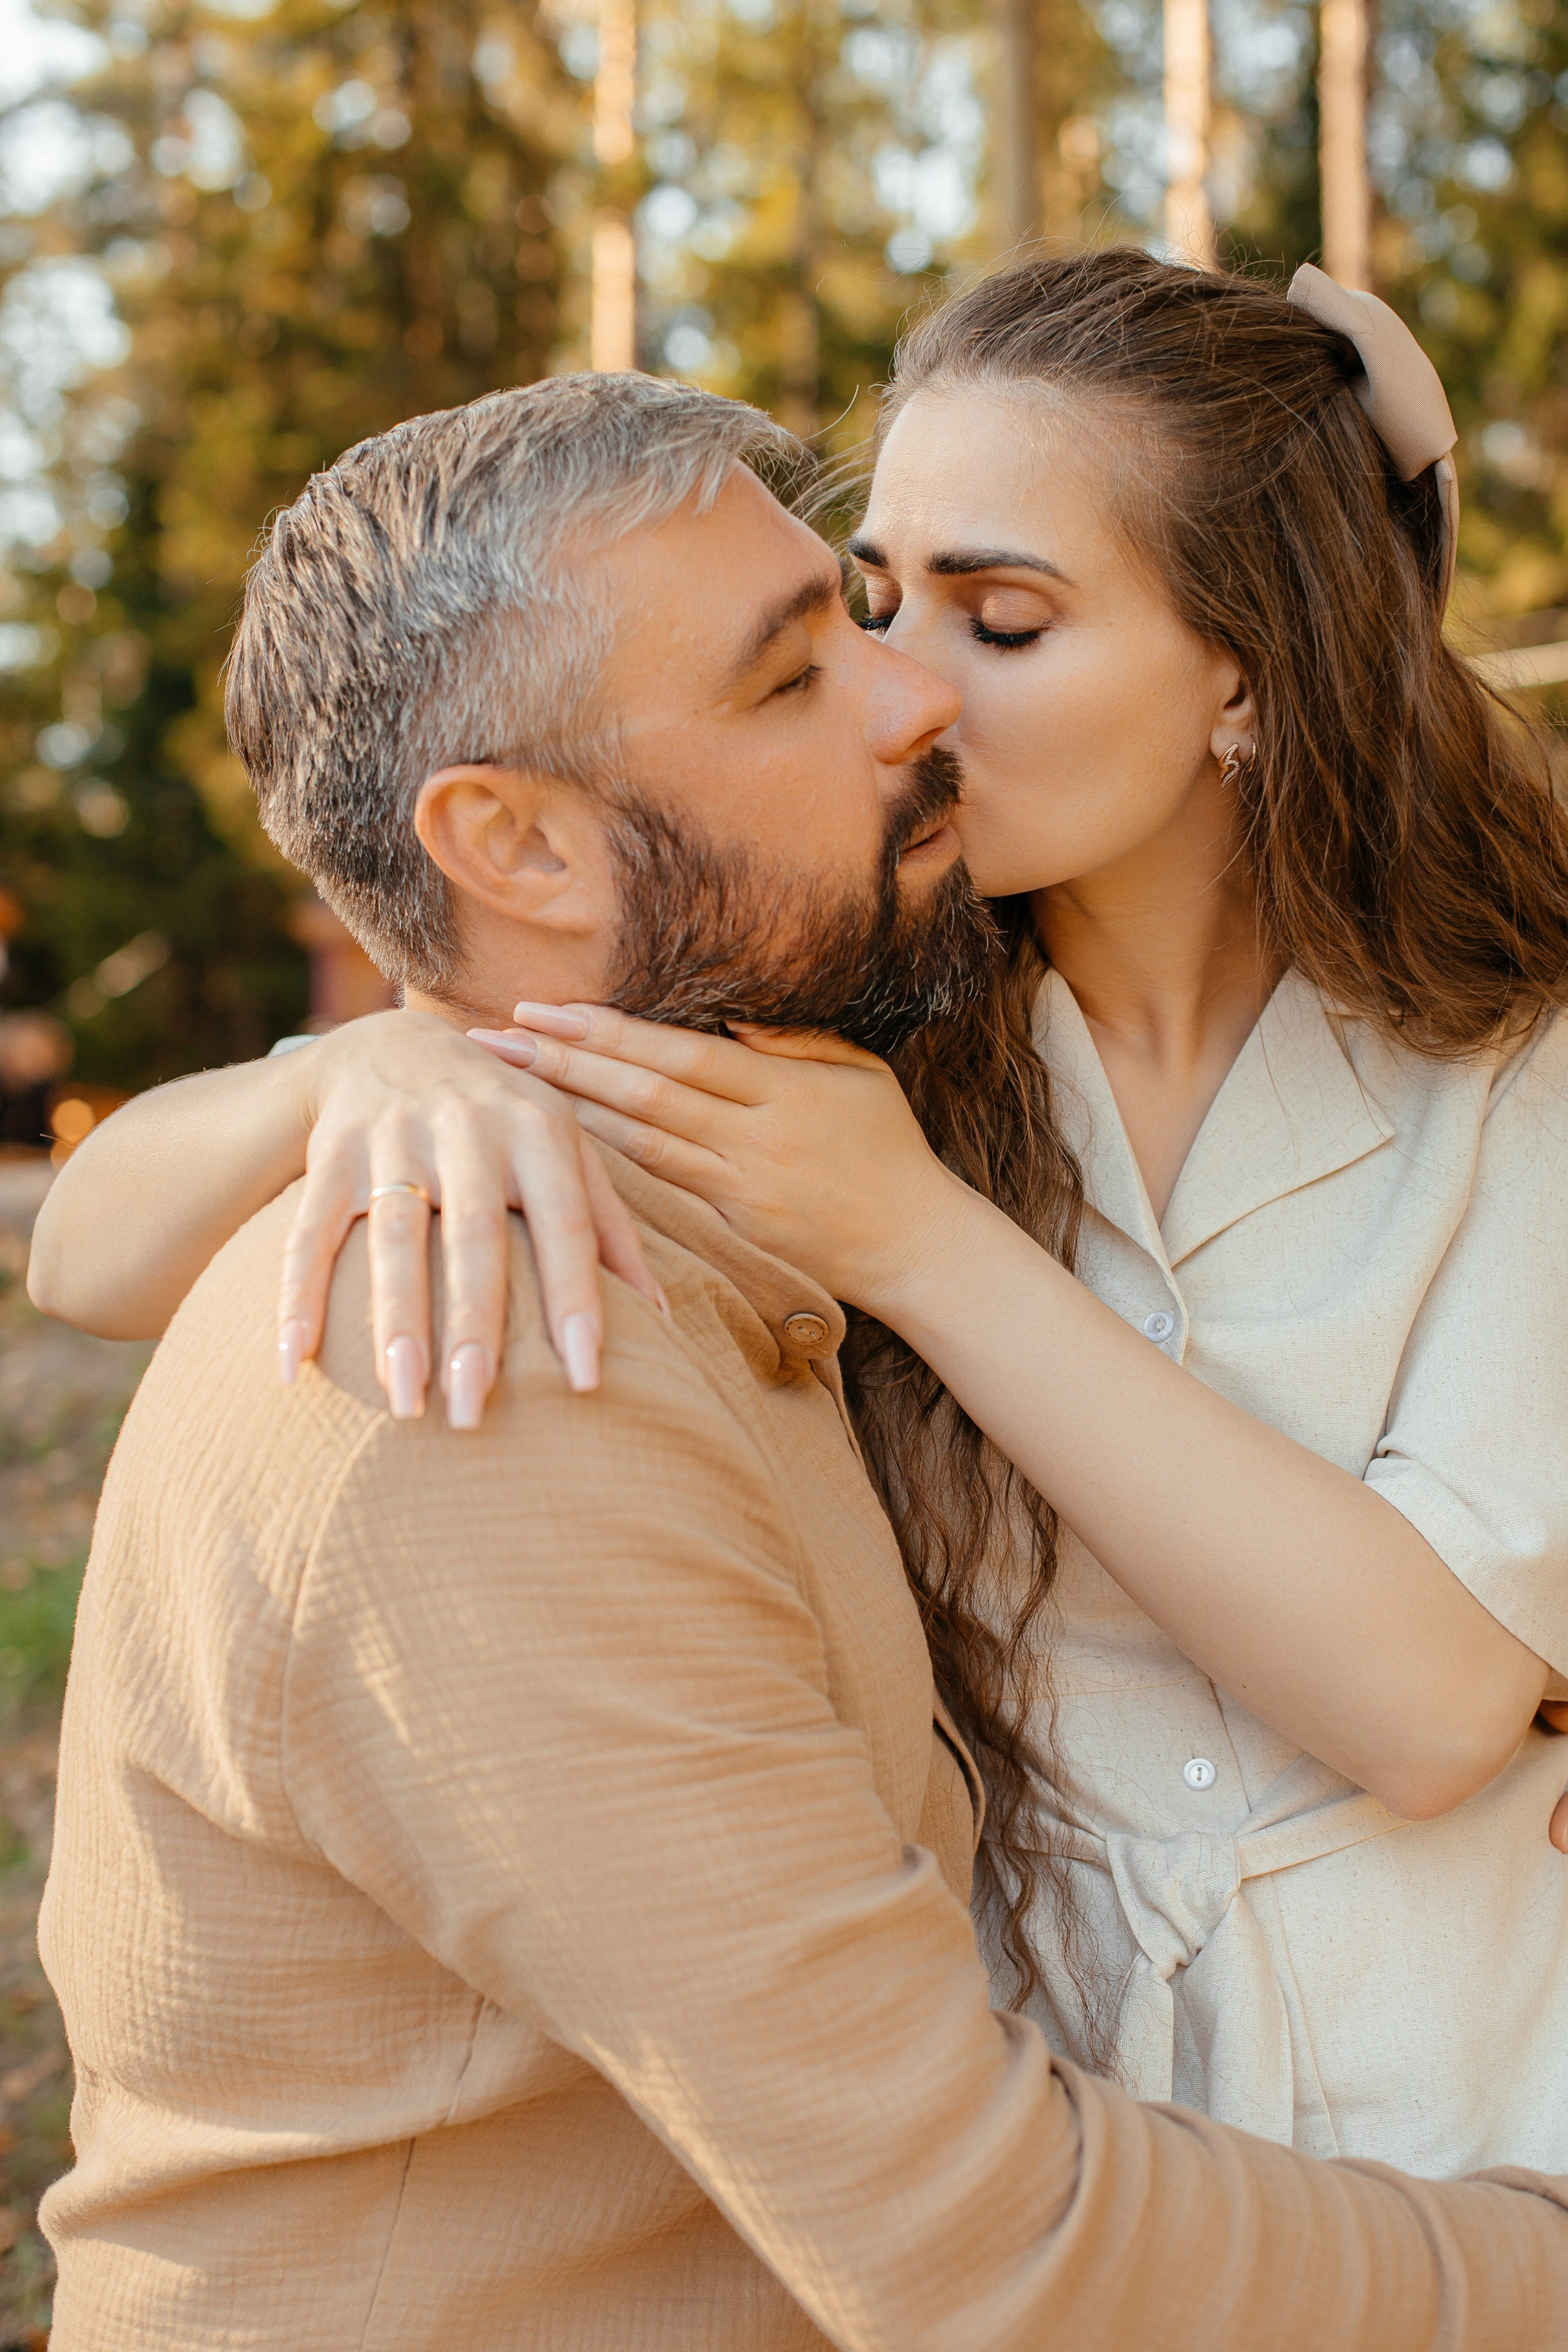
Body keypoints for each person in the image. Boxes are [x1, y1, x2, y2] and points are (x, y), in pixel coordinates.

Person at [31, 369, 1568, 2350]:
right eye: (818, 652)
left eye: (975, 623)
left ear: (1249, 680)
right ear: (515, 844)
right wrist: (372, 1057)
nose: (918, 692)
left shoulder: (820, 1080)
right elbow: (995, 2256)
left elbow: (1434, 1679)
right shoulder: (496, 1322)